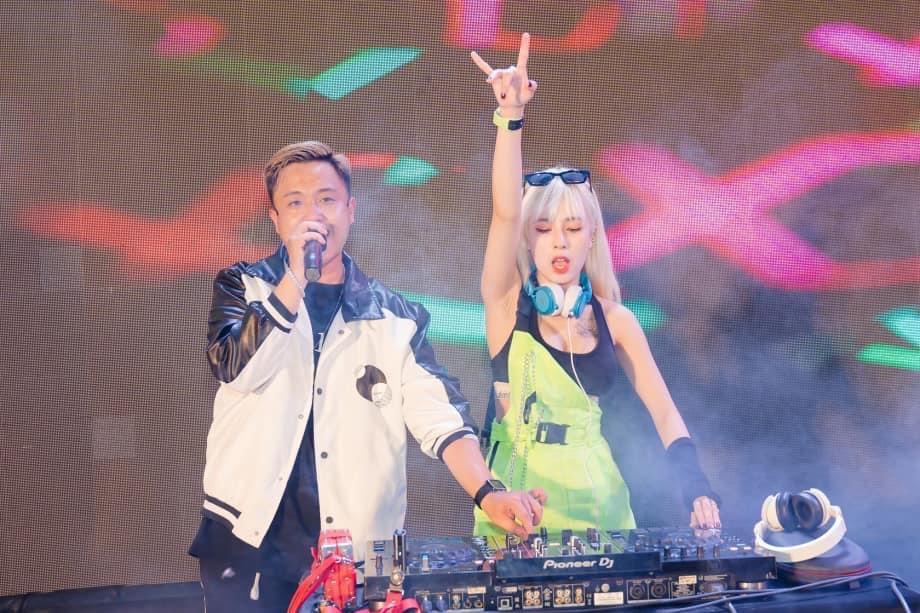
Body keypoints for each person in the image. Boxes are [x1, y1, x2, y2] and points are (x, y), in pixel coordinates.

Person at [188, 140, 545, 612]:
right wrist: (293, 280)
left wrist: (488, 493)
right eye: (295, 203)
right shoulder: (243, 287)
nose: (314, 214)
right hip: (247, 544)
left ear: (350, 211)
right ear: (275, 219)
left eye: (327, 199)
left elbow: (442, 418)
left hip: (353, 558)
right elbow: (235, 367)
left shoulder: (395, 318)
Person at [469, 34, 721, 537]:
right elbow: (504, 213)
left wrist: (697, 487)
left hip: (601, 503)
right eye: (544, 229)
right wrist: (510, 118)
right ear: (529, 238)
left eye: (573, 228)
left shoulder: (616, 320)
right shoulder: (506, 304)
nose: (559, 242)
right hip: (517, 505)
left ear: (591, 238)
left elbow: (665, 414)